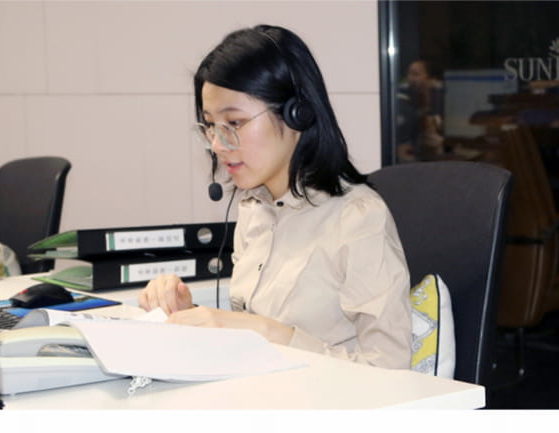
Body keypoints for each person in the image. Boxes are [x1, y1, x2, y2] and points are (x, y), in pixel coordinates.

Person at [139, 25, 412, 369]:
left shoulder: (358, 218)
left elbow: (392, 369)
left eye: (234, 123)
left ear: (297, 114)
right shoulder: (255, 208)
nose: (218, 145)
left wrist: (269, 333)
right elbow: (249, 340)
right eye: (210, 126)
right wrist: (187, 313)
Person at [397, 60, 445, 162]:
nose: (410, 79)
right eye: (409, 74)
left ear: (429, 78)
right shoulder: (401, 100)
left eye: (416, 74)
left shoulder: (436, 96)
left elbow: (437, 130)